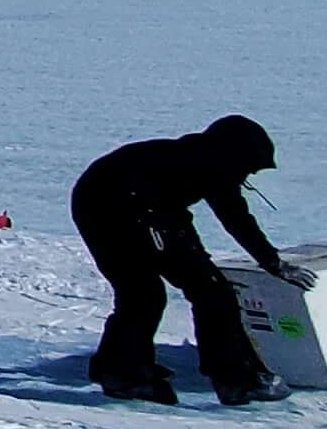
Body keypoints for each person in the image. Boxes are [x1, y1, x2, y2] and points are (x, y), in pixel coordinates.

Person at [72, 116, 312, 404]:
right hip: (108, 208)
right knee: (147, 294)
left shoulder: (209, 164)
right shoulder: (201, 164)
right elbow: (227, 219)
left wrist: (270, 261)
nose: (247, 177)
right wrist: (270, 262)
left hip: (149, 208)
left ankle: (134, 371)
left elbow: (225, 218)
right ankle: (131, 374)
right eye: (247, 169)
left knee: (206, 287)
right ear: (232, 156)